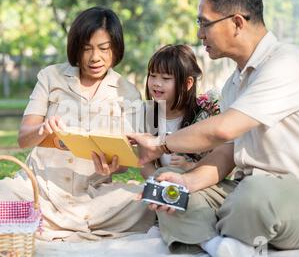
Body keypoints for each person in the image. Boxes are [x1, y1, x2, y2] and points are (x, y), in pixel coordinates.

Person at [127, 0, 299, 257]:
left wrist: (159, 144)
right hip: (243, 189)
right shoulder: (232, 85)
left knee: (254, 196)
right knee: (171, 188)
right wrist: (186, 181)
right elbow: (226, 151)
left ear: (237, 22)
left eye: (204, 22)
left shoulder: (288, 61)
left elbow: (224, 128)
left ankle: (216, 234)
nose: (199, 34)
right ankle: (222, 247)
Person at [0, 7, 155, 241]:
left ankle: (37, 223)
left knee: (150, 201)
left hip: (92, 198)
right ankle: (45, 219)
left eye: (104, 48)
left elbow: (125, 162)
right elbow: (23, 139)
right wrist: (42, 130)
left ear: (116, 48)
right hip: (37, 191)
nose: (95, 57)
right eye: (86, 49)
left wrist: (113, 167)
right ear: (75, 48)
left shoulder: (127, 92)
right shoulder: (50, 76)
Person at [92, 44, 220, 179]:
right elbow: (145, 164)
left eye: (166, 78)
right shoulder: (147, 114)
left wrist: (190, 167)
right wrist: (160, 184)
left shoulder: (205, 115)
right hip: (161, 184)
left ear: (187, 83)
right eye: (153, 75)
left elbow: (221, 163)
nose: (156, 83)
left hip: (198, 184)